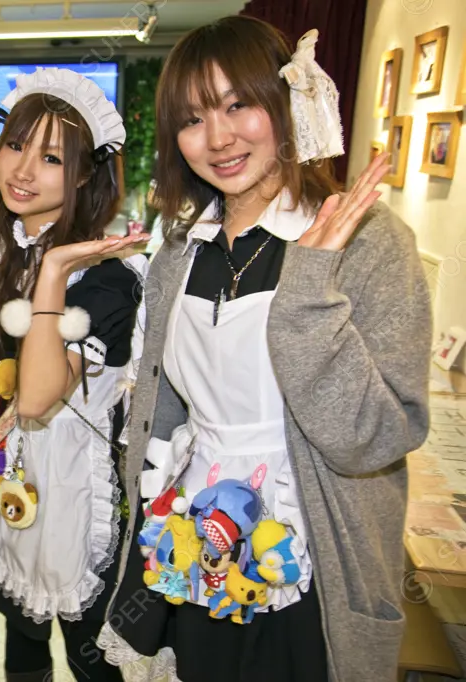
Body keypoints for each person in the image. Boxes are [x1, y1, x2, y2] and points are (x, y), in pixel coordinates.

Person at [96, 18, 431, 682]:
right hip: (196, 543)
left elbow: (375, 437)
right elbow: (164, 411)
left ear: (285, 105)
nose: (217, 138)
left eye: (238, 105)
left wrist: (308, 293)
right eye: (192, 119)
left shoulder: (366, 242)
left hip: (307, 554)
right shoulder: (180, 251)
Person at [0, 68, 149, 682]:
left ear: (82, 175)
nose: (22, 169)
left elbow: (43, 393)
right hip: (24, 471)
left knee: (89, 652)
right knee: (21, 629)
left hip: (80, 487)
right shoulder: (8, 249)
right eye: (15, 146)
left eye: (49, 157)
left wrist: (52, 276)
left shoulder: (106, 277)